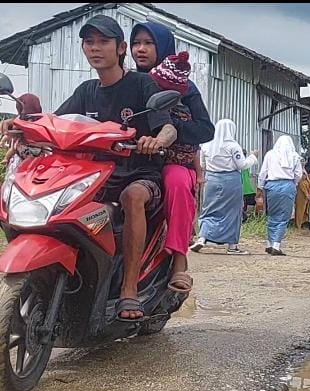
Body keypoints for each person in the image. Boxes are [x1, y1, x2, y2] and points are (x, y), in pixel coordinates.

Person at [43, 16, 178, 321]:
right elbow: (55, 123)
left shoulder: (142, 84)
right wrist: (22, 126)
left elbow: (168, 128)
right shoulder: (86, 90)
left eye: (103, 42)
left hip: (141, 176)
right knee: (67, 211)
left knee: (132, 196)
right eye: (89, 42)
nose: (95, 48)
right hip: (97, 180)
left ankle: (129, 289)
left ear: (120, 49)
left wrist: (156, 141)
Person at [128, 20, 215, 295]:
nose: (140, 49)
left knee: (176, 182)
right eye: (136, 43)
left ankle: (179, 261)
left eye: (148, 43)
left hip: (172, 162)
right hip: (133, 160)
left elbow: (205, 129)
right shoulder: (125, 82)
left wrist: (168, 129)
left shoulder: (184, 87)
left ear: (163, 47)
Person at [191, 118, 258, 254]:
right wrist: (253, 157)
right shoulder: (233, 146)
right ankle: (232, 246)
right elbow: (242, 165)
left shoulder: (207, 145)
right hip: (230, 181)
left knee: (209, 209)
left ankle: (202, 238)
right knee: (233, 212)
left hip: (211, 179)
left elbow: (203, 165)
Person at [257, 135, 303, 255]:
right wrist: (293, 183)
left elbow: (263, 173)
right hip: (288, 185)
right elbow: (298, 174)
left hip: (271, 186)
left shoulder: (270, 154)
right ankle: (276, 245)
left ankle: (269, 243)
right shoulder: (295, 156)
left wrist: (260, 187)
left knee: (272, 215)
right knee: (283, 217)